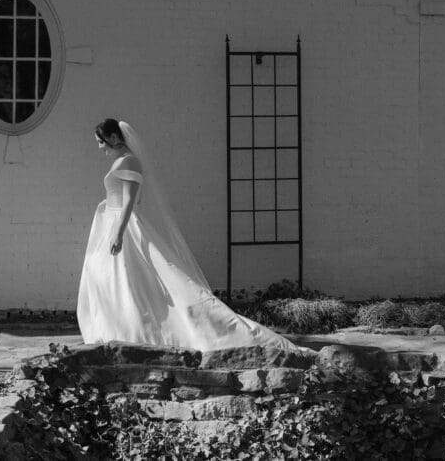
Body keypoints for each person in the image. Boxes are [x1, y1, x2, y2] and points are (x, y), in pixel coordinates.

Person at [77, 118, 305, 352]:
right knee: (115, 281)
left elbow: (129, 201)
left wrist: (118, 233)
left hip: (124, 227)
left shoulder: (129, 161)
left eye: (101, 141)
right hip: (112, 223)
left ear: (114, 138)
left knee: (137, 280)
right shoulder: (121, 161)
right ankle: (119, 329)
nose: (100, 147)